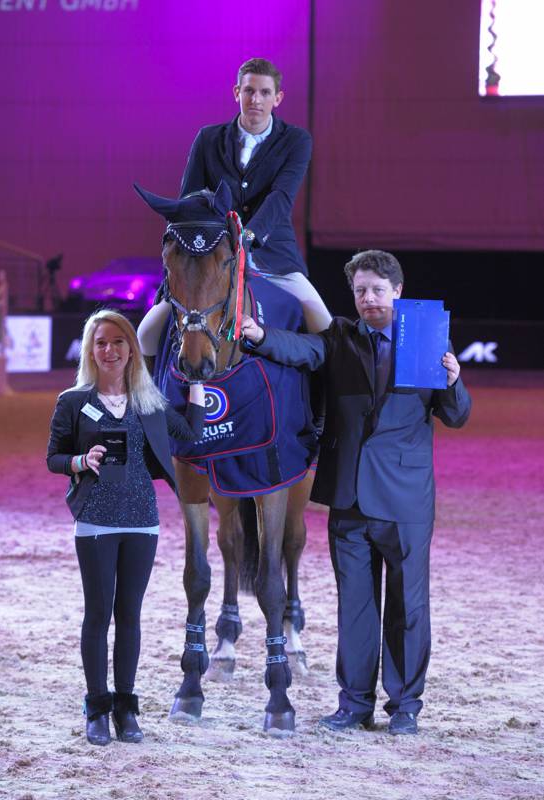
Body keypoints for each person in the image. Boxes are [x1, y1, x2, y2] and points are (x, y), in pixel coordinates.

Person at [240, 250, 471, 735]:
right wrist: (260, 337)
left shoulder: (428, 337)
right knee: (356, 607)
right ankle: (354, 704)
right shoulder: (340, 338)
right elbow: (302, 350)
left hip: (406, 500)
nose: (368, 300)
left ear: (398, 292)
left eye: (377, 291)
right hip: (349, 499)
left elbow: (455, 415)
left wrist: (453, 381)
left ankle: (406, 706)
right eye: (361, 291)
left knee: (409, 607)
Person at [46, 309, 205, 746]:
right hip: (95, 520)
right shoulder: (73, 401)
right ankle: (96, 707)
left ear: (131, 349)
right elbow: (54, 457)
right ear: (90, 350)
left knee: (129, 616)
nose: (110, 350)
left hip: (141, 522)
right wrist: (81, 461)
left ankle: (126, 709)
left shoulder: (148, 401)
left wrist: (196, 377)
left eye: (119, 342)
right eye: (101, 343)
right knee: (97, 615)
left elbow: (191, 432)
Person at [137, 57, 332, 360]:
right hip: (210, 256)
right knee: (146, 333)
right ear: (236, 92)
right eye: (249, 91)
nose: (256, 99)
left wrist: (249, 236)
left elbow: (281, 197)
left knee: (325, 327)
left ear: (277, 98)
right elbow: (189, 202)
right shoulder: (207, 138)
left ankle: (322, 409)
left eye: (265, 92)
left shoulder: (296, 140)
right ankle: (146, 404)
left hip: (273, 256)